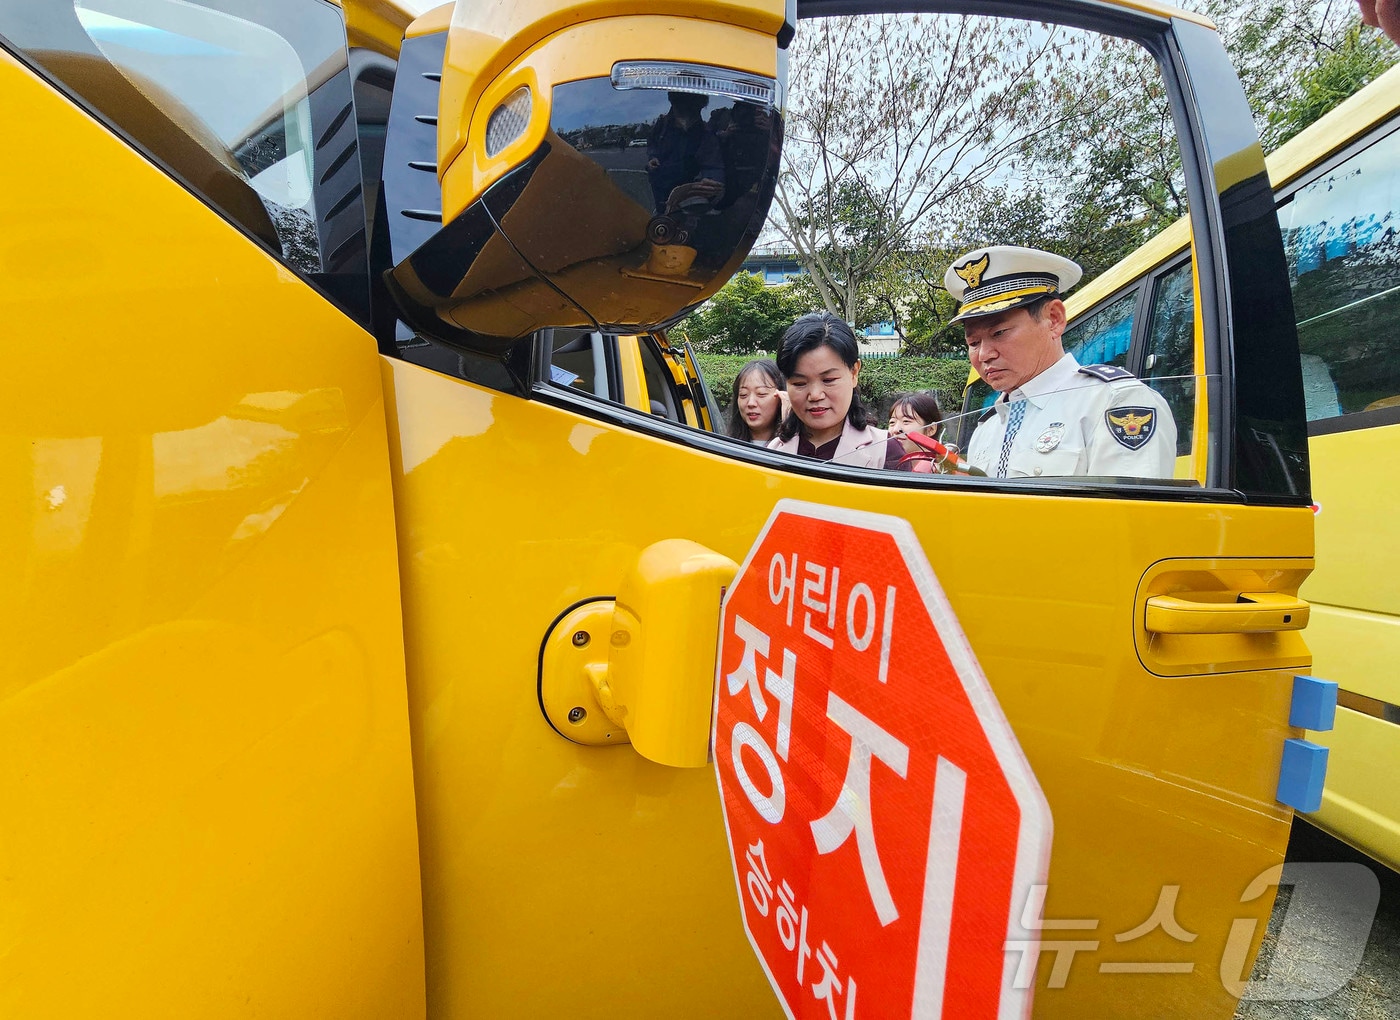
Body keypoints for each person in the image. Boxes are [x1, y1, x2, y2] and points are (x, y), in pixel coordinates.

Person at [946, 245, 1177, 480]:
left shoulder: (1114, 403)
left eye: (999, 333)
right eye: (973, 343)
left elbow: (1130, 515)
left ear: (1054, 319)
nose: (984, 354)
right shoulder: (987, 427)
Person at [769, 313, 903, 468]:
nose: (815, 395)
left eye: (828, 380)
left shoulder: (886, 450)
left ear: (854, 373)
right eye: (799, 383)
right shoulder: (773, 452)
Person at [727, 358, 787, 445]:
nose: (751, 403)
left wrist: (788, 426)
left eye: (761, 394)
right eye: (743, 395)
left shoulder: (798, 447)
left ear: (781, 396)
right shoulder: (725, 447)